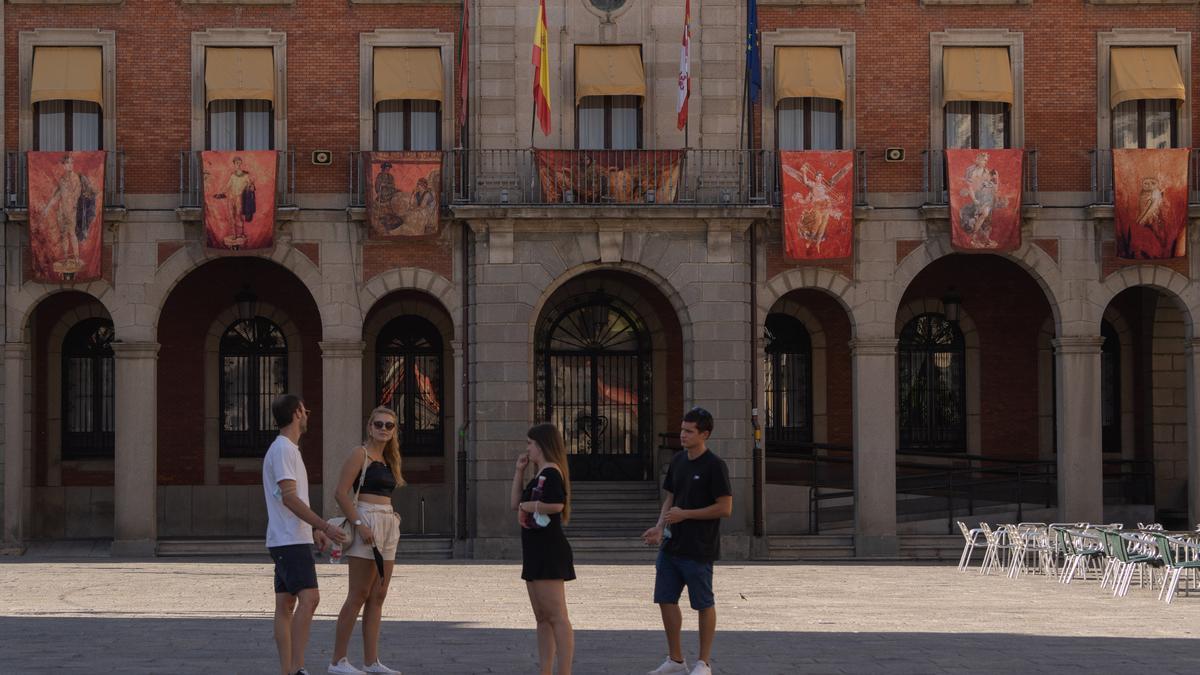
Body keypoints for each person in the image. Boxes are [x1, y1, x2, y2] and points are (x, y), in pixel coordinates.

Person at [642, 407, 733, 675]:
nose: (682, 435)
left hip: (699, 548)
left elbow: (725, 507)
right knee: (665, 599)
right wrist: (660, 527)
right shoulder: (678, 461)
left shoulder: (715, 466)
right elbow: (670, 498)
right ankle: (676, 659)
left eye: (689, 431)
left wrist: (687, 515)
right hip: (671, 546)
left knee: (703, 603)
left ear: (704, 434)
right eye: (682, 429)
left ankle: (704, 662)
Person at [263, 394, 348, 675]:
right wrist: (325, 526)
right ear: (298, 412)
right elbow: (289, 498)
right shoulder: (285, 450)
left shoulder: (284, 449)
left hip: (287, 537)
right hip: (288, 539)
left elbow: (287, 498)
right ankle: (297, 668)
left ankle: (287, 670)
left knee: (286, 603)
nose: (308, 415)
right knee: (310, 598)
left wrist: (311, 530)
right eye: (306, 410)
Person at [328, 406, 407, 675]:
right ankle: (338, 661)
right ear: (369, 427)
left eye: (389, 425)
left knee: (378, 594)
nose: (383, 429)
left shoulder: (389, 459)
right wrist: (360, 523)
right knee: (358, 594)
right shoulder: (359, 454)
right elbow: (340, 493)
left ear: (394, 430)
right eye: (379, 424)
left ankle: (371, 661)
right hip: (366, 520)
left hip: (387, 522)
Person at [510, 423, 575, 675]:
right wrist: (519, 472)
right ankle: (545, 670)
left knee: (557, 616)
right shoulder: (539, 474)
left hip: (549, 550)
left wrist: (531, 507)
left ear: (541, 445)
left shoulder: (552, 473)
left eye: (530, 443)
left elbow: (557, 504)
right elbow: (515, 503)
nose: (527, 448)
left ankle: (564, 671)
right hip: (535, 550)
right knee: (541, 618)